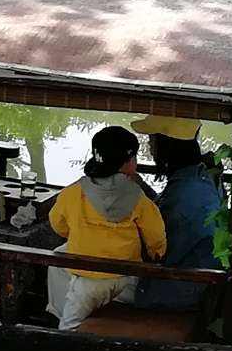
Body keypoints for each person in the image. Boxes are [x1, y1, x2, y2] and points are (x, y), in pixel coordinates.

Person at [47, 125, 167, 330]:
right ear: (129, 162)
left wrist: (79, 234)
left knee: (69, 326)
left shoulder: (73, 193)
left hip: (87, 280)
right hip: (126, 278)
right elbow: (156, 236)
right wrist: (157, 253)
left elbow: (58, 224)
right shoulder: (139, 198)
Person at [131, 114, 221, 312]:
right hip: (197, 279)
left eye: (152, 140)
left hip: (175, 290)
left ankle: (68, 333)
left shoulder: (183, 199)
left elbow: (155, 252)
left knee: (72, 269)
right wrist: (142, 188)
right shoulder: (199, 175)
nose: (149, 146)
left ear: (166, 147)